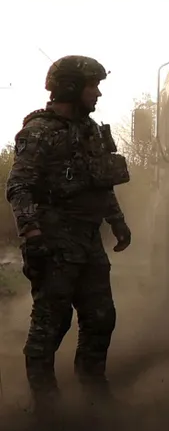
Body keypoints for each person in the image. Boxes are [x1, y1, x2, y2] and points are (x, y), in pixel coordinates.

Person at [5, 55, 133, 410]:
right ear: (72, 88)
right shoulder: (38, 133)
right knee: (51, 324)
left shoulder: (90, 131)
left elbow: (101, 183)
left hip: (88, 242)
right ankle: (46, 406)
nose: (98, 94)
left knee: (101, 317)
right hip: (53, 242)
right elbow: (19, 188)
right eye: (93, 86)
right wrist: (31, 234)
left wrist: (117, 221)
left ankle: (92, 388)